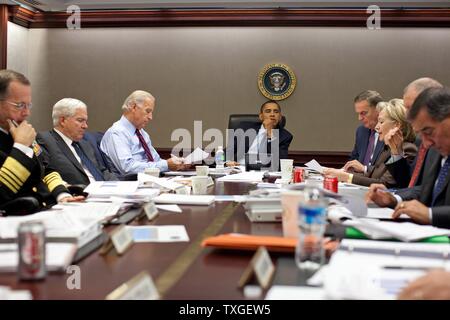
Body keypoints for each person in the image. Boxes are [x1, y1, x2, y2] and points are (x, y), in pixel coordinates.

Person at [366, 87, 450, 228]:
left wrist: (430, 214)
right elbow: (426, 188)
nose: (426, 143)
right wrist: (394, 199)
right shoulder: (436, 148)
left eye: (428, 131)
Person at [0, 69, 82, 208]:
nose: (27, 113)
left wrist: (62, 194)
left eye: (28, 105)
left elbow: (45, 169)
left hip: (47, 209)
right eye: (20, 105)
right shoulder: (22, 138)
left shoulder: (20, 132)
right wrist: (20, 147)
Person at [324, 99, 417, 188]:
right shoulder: (387, 148)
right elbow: (373, 174)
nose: (377, 127)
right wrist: (340, 173)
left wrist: (346, 177)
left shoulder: (407, 149)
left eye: (381, 122)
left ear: (397, 125)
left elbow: (385, 184)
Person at [100, 90, 189, 175]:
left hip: (149, 182)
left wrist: (176, 164)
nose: (150, 117)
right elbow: (127, 168)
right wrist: (166, 165)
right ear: (134, 107)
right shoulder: (117, 133)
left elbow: (156, 161)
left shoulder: (142, 133)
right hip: (129, 185)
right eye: (148, 111)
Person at [37, 98, 117, 185]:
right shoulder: (46, 141)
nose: (85, 126)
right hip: (79, 193)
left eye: (85, 121)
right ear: (63, 120)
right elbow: (47, 175)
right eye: (80, 120)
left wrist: (121, 186)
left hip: (105, 191)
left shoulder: (85, 143)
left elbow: (102, 170)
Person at [226, 100, 293, 168]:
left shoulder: (285, 136)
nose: (272, 114)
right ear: (261, 116)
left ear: (280, 117)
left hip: (265, 172)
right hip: (239, 169)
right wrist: (226, 162)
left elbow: (279, 164)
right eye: (268, 111)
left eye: (276, 111)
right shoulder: (244, 128)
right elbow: (227, 151)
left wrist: (269, 133)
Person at [349, 90, 385, 166]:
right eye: (358, 114)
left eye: (363, 113)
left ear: (378, 110)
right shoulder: (361, 131)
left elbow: (384, 171)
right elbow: (353, 160)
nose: (359, 118)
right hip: (359, 177)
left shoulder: (389, 133)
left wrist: (364, 169)